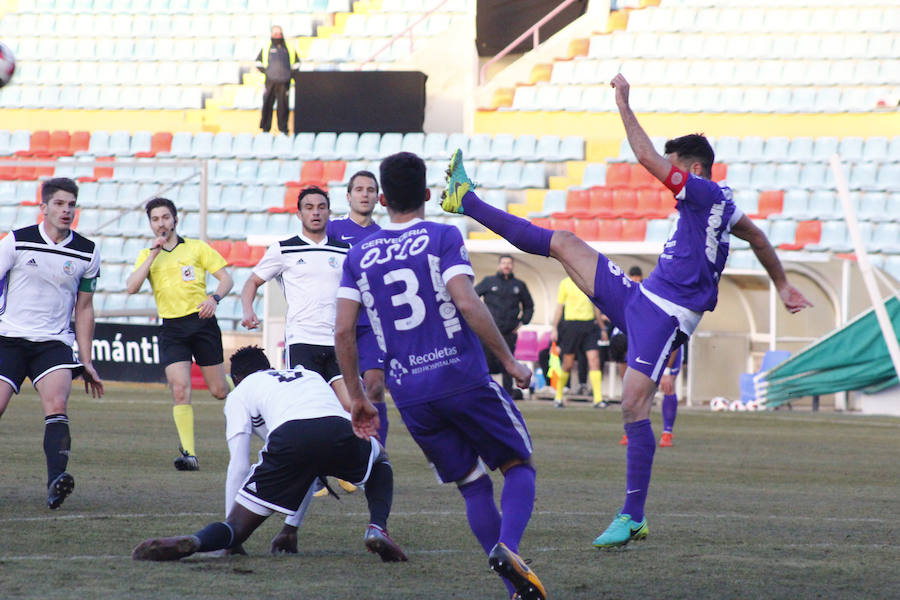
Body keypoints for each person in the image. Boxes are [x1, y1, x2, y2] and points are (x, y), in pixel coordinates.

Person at [439, 72, 812, 550]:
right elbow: (758, 237)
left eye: (675, 170)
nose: (669, 181)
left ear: (693, 170)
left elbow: (644, 157)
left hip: (666, 316)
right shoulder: (724, 206)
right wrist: (781, 284)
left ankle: (633, 515)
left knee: (633, 404)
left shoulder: (701, 191)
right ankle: (464, 199)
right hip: (642, 299)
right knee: (565, 242)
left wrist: (623, 101)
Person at [335, 152, 546, 600]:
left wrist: (357, 397)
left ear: (384, 199)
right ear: (429, 195)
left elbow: (343, 332)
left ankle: (515, 588)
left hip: (410, 394)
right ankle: (508, 548)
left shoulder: (358, 255)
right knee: (518, 465)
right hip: (462, 378)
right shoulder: (441, 236)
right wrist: (509, 363)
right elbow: (467, 303)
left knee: (472, 484)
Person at [132, 346, 406, 563]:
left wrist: (233, 531)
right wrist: (290, 528)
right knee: (379, 458)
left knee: (235, 528)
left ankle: (196, 541)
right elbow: (313, 467)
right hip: (338, 428)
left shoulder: (241, 393)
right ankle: (377, 527)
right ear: (270, 368)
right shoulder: (308, 375)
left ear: (237, 379)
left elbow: (239, 465)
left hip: (290, 437)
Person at [241, 185, 357, 494]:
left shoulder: (344, 250)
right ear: (299, 213)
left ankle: (344, 467)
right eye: (309, 207)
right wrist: (248, 310)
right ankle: (316, 475)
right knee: (309, 411)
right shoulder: (284, 248)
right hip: (302, 341)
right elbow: (252, 282)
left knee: (348, 405)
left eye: (321, 207)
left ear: (329, 211)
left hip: (337, 342)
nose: (316, 212)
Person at [0, 177, 104, 509]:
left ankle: (56, 481)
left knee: (57, 405)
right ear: (43, 207)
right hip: (9, 339)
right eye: (59, 204)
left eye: (71, 205)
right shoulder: (16, 241)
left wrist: (86, 360)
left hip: (54, 343)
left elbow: (84, 307)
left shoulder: (87, 251)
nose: (66, 210)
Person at [126, 197, 233, 472]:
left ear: (175, 219)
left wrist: (214, 299)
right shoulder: (147, 254)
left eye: (165, 217)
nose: (161, 223)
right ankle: (189, 454)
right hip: (172, 328)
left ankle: (248, 403)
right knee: (180, 389)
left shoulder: (197, 248)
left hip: (202, 322)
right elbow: (131, 287)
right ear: (150, 224)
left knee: (220, 391)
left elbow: (227, 279)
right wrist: (152, 254)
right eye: (155, 219)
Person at [326, 171, 389, 445]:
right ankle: (333, 458)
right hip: (334, 322)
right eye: (359, 189)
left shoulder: (385, 236)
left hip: (371, 324)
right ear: (348, 196)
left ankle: (377, 455)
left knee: (374, 385)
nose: (365, 194)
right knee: (332, 396)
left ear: (378, 197)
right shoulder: (331, 230)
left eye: (371, 190)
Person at [475, 254, 534, 400]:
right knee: (486, 363)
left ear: (512, 266)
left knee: (508, 364)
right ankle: (485, 394)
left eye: (509, 263)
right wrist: (480, 319)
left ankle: (508, 395)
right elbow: (472, 297)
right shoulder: (489, 282)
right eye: (503, 263)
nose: (506, 266)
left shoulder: (519, 285)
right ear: (499, 265)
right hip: (489, 331)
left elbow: (529, 306)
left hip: (509, 332)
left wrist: (522, 322)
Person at [550, 276, 608, 408]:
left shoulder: (588, 281)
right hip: (571, 326)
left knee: (594, 360)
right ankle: (558, 397)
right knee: (567, 363)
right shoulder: (564, 283)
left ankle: (597, 399)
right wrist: (554, 328)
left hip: (589, 326)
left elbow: (596, 307)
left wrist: (602, 328)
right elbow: (559, 307)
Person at [619, 346, 681, 447]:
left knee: (668, 386)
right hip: (644, 349)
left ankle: (667, 433)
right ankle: (632, 431)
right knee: (634, 391)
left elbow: (676, 341)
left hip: (668, 348)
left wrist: (666, 371)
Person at [255, 25, 299, 135]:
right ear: (271, 35)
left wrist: (290, 75)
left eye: (280, 33)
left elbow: (297, 63)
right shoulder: (266, 48)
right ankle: (265, 129)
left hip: (284, 83)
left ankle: (283, 130)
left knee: (283, 107)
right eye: (275, 34)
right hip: (270, 82)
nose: (278, 36)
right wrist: (267, 73)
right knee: (267, 105)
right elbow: (258, 63)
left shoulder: (289, 48)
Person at [608, 266, 643, 381]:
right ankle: (626, 386)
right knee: (622, 357)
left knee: (635, 361)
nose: (636, 279)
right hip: (622, 330)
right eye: (633, 276)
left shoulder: (644, 291)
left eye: (637, 277)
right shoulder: (624, 289)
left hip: (636, 330)